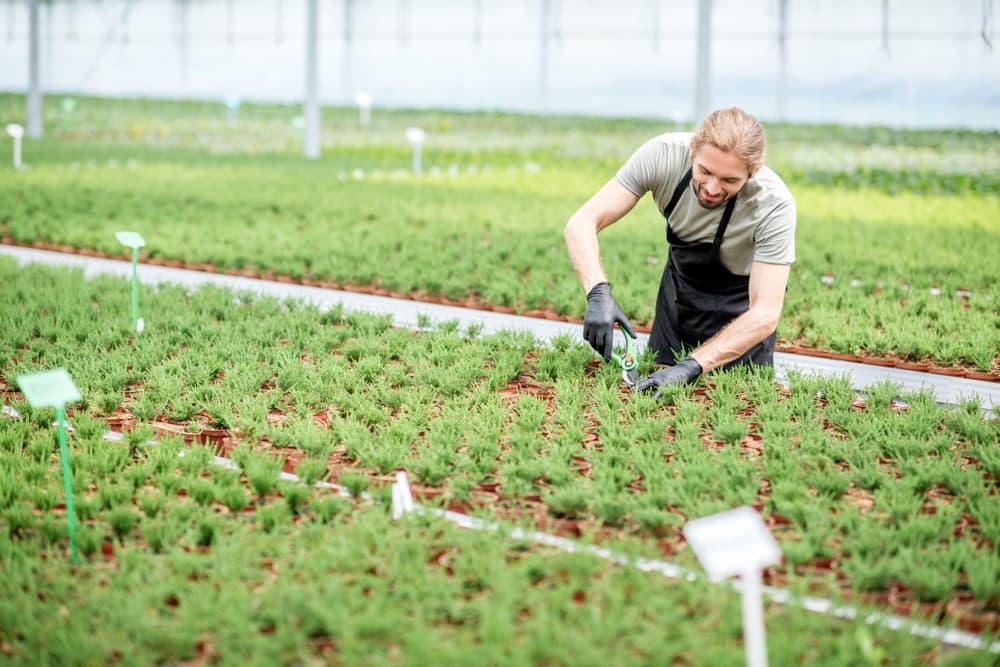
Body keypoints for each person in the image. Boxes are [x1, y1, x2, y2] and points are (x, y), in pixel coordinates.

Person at [564, 107, 796, 397]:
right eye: (705, 171)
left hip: (743, 317)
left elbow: (765, 313)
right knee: (654, 401)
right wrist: (598, 293)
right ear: (692, 149)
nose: (712, 188)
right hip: (679, 299)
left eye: (729, 181)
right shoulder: (662, 155)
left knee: (736, 406)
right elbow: (581, 223)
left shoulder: (773, 205)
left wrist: (690, 366)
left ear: (754, 172)